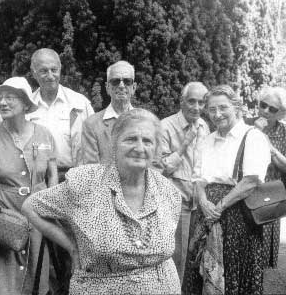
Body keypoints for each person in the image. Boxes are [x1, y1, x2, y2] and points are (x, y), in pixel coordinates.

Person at [22, 109, 182, 294]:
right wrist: (71, 247)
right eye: (130, 139)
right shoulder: (86, 183)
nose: (139, 148)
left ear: (155, 149)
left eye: (147, 141)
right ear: (114, 144)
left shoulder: (168, 192)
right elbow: (31, 207)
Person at [0, 77, 58, 295]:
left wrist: (52, 208)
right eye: (0, 97)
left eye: (10, 97)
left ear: (25, 103)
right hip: (4, 214)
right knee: (7, 277)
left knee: (37, 272)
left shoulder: (44, 133)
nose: (2, 102)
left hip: (38, 214)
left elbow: (53, 174)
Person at [182, 85, 271, 295]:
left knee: (234, 272)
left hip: (238, 217)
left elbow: (250, 181)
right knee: (199, 271)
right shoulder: (206, 140)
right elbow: (198, 179)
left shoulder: (252, 137)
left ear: (236, 107)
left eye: (223, 107)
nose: (217, 114)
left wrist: (219, 208)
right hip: (206, 216)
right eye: (212, 109)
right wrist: (203, 202)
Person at [26, 48, 94, 294]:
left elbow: (91, 142)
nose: (50, 75)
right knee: (45, 243)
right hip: (39, 181)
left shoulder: (79, 103)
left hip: (73, 177)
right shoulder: (28, 106)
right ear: (34, 73)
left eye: (54, 69)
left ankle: (76, 287)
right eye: (43, 70)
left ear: (60, 70)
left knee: (74, 240)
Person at [160, 81, 210, 281]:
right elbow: (161, 169)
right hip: (175, 202)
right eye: (192, 101)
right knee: (176, 257)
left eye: (201, 102)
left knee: (195, 255)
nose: (196, 107)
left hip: (199, 202)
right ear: (181, 102)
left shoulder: (204, 125)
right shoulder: (165, 126)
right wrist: (185, 143)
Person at [247, 87, 286, 269]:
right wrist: (255, 132)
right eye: (263, 105)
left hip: (269, 196)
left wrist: (269, 146)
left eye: (272, 109)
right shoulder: (245, 125)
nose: (265, 111)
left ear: (281, 114)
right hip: (244, 191)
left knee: (261, 255)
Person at [81, 60, 136, 164]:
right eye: (115, 81)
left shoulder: (145, 122)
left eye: (127, 81)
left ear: (134, 87)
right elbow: (91, 169)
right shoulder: (91, 125)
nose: (121, 85)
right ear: (107, 87)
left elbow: (153, 164)